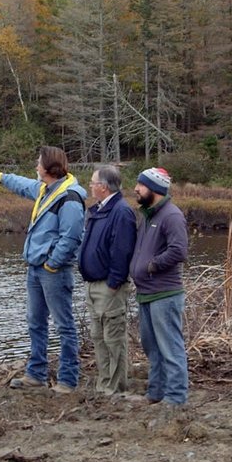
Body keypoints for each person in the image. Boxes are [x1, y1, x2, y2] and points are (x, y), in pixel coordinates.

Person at [0, 147, 87, 393]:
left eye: (38, 163)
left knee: (64, 325)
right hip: (36, 268)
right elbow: (23, 185)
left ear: (49, 169)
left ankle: (68, 380)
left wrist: (52, 263)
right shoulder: (45, 190)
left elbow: (71, 237)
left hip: (53, 271)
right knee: (35, 322)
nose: (36, 167)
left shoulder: (69, 198)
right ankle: (36, 373)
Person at [129, 167, 190, 407]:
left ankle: (175, 397)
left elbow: (179, 251)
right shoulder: (147, 215)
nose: (136, 188)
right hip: (146, 292)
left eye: (140, 185)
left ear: (154, 188)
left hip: (165, 292)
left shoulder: (171, 216)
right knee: (151, 347)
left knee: (170, 347)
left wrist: (152, 266)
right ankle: (156, 393)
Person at [78, 164, 137, 395]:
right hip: (93, 285)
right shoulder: (99, 210)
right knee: (98, 337)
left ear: (103, 187)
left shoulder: (120, 211)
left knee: (113, 339)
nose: (90, 186)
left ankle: (115, 388)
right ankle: (105, 384)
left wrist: (114, 282)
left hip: (109, 287)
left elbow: (122, 251)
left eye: (93, 183)